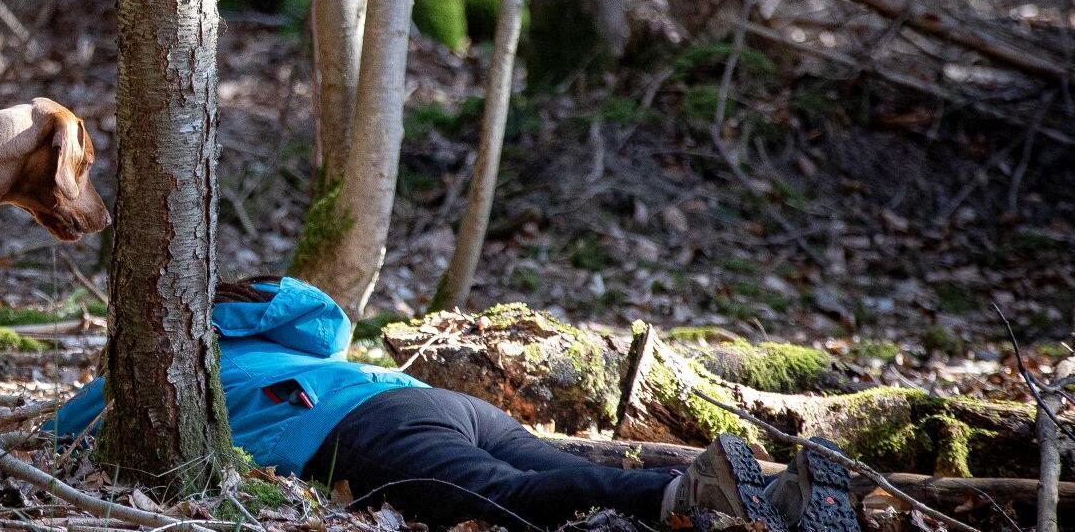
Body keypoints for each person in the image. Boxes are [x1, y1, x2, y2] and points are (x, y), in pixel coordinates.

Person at [48, 276, 859, 531]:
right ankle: (779, 498)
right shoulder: (255, 333)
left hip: (356, 433)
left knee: (508, 496)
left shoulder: (123, 386)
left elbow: (59, 436)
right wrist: (225, 292)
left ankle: (691, 496)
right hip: (411, 396)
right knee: (551, 462)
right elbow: (325, 315)